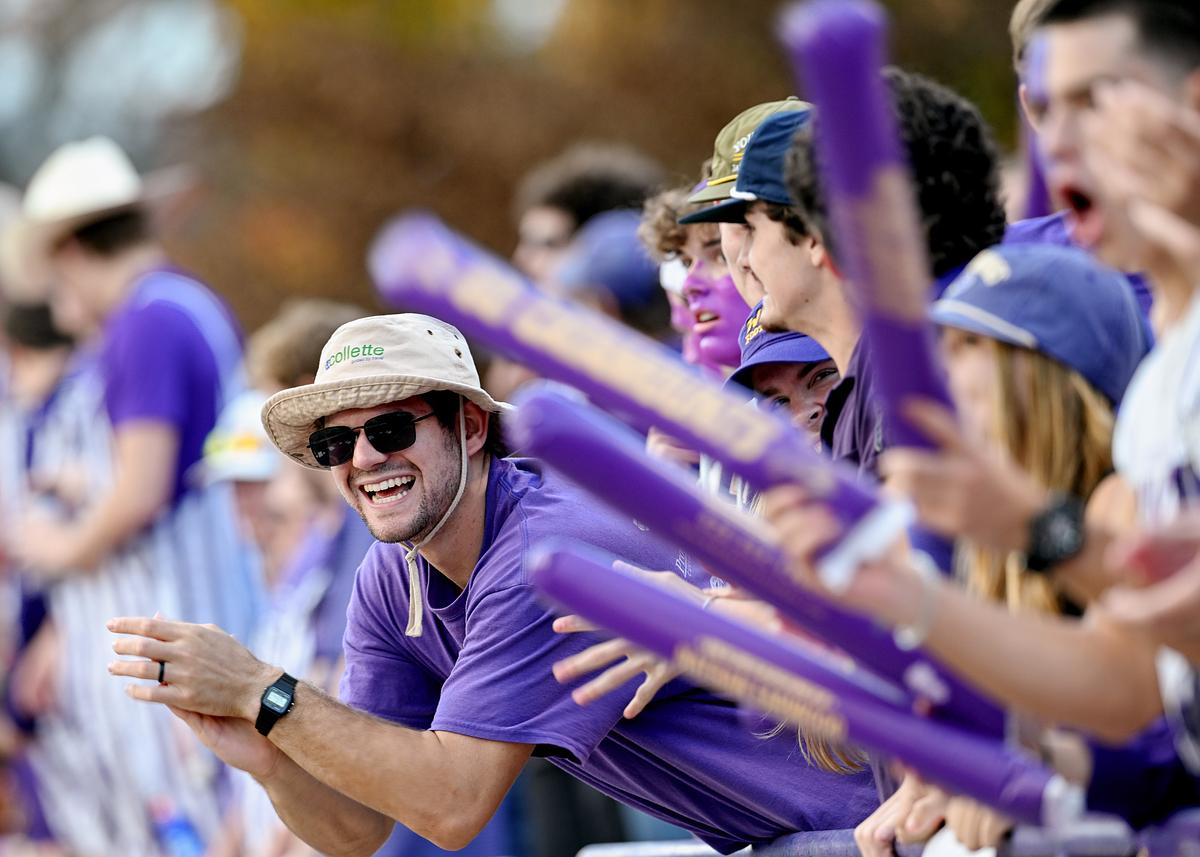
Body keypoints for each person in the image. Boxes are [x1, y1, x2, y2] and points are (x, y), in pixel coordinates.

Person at [108, 313, 878, 856]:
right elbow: (359, 829)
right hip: (793, 834)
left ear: (471, 429)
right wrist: (272, 750)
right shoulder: (395, 572)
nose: (365, 457)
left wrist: (264, 691)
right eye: (339, 441)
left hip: (877, 820)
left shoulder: (544, 550)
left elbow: (452, 804)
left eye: (391, 429)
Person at [838, 242, 1149, 855]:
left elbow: (1139, 724)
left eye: (971, 352)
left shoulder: (1126, 506)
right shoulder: (975, 542)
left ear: (1041, 385)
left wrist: (1016, 779)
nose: (946, 386)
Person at [2, 137, 251, 853]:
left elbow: (141, 490)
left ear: (73, 251)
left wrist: (55, 548)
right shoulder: (180, 305)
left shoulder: (146, 319)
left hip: (175, 632)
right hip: (187, 628)